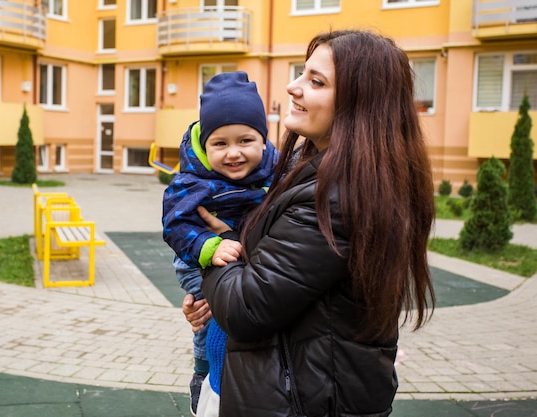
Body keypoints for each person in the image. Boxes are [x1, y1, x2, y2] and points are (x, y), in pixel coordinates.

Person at [188, 29, 437, 417]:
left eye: (315, 81)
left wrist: (215, 246)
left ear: (361, 104)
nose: (293, 87)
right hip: (290, 387)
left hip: (298, 401)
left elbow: (245, 309)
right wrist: (213, 303)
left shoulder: (340, 196)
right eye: (302, 74)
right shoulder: (318, 172)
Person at [161, 71, 278, 416]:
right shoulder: (193, 181)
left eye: (245, 141)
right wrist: (208, 247)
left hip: (242, 258)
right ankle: (203, 379)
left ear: (263, 139)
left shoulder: (276, 172)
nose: (233, 154)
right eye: (220, 144)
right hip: (198, 259)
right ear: (204, 145)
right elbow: (174, 224)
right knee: (210, 317)